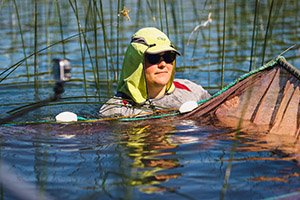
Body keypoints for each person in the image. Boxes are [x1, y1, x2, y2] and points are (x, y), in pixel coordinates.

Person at [99, 27, 210, 117]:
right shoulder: (114, 110)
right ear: (136, 63)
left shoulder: (192, 91)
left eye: (168, 56)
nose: (163, 64)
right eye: (154, 58)